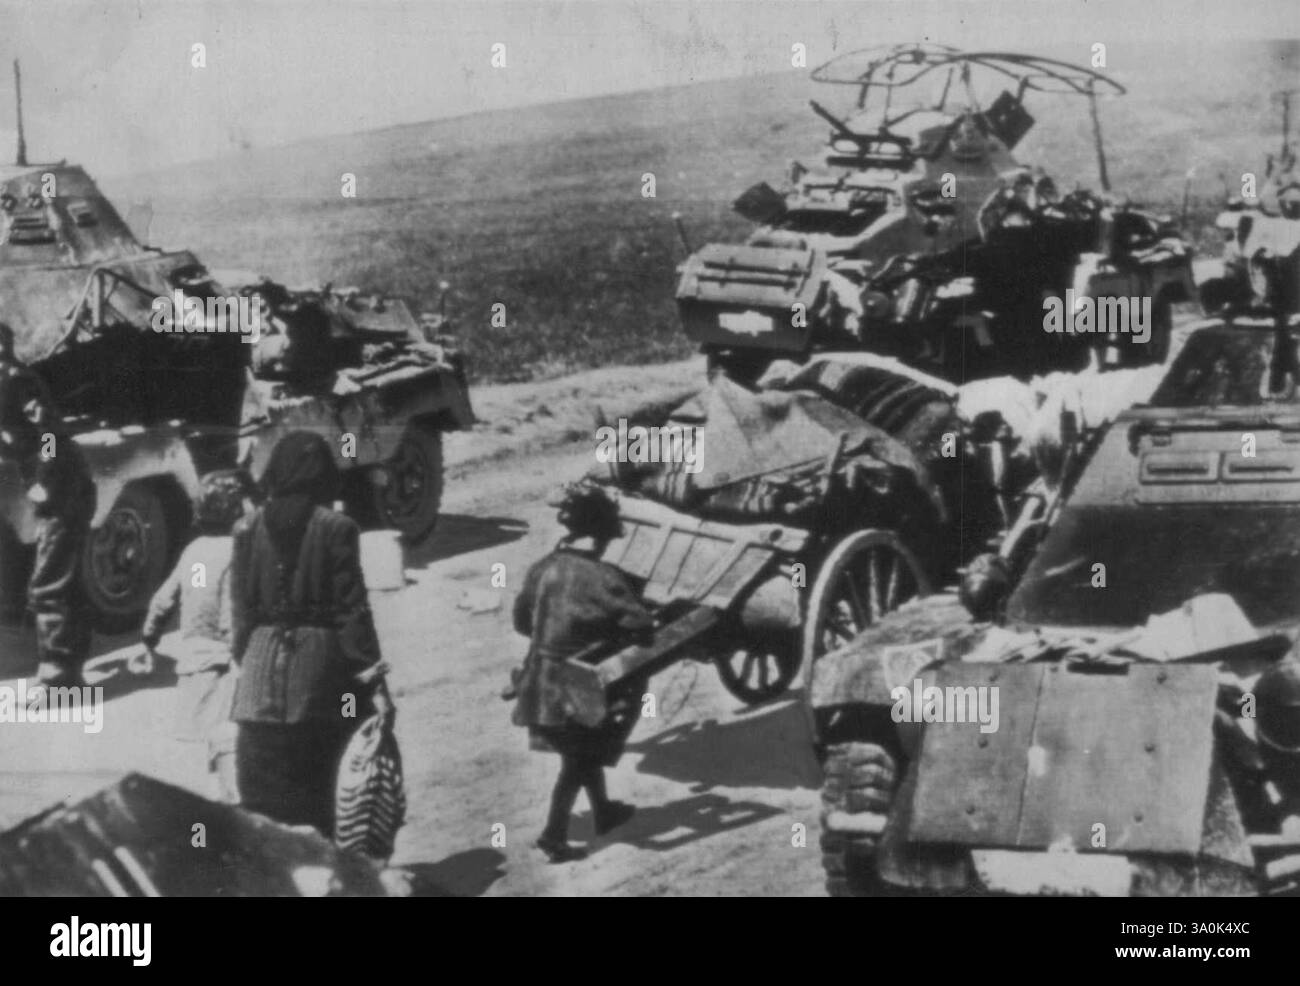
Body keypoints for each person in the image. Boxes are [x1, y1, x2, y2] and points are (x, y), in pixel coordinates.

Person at [229, 431, 393, 836]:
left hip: (257, 677)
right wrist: (374, 677)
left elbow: (241, 608)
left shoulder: (246, 528)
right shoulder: (337, 528)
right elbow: (351, 610)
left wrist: (244, 659)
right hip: (320, 675)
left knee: (264, 801)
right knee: (323, 784)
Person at [512, 482, 654, 862]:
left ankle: (604, 810)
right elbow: (639, 625)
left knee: (582, 749)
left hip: (539, 677)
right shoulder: (602, 576)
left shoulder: (542, 568)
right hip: (574, 685)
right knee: (578, 760)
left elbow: (522, 621)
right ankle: (553, 836)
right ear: (600, 536)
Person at [140, 469, 254, 803]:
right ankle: (231, 806)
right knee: (226, 741)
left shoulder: (194, 553)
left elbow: (163, 600)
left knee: (203, 742)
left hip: (191, 662)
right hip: (221, 664)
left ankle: (207, 812)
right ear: (238, 510)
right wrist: (241, 661)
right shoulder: (236, 552)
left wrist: (148, 640)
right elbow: (231, 613)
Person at [0, 323, 96, 688]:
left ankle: (59, 678)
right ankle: (70, 670)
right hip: (57, 486)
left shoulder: (17, 381)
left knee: (47, 586)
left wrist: (44, 479)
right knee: (61, 582)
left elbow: (52, 434)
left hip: (63, 488)